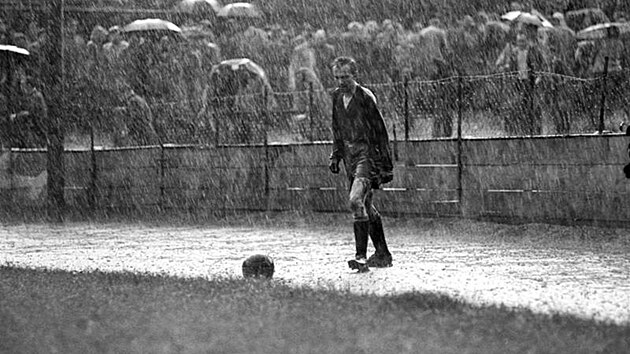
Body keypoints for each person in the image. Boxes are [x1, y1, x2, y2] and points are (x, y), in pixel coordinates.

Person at [328, 56, 394, 272]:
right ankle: (382, 253)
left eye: (345, 77)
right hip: (349, 155)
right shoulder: (337, 97)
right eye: (337, 77)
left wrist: (385, 164)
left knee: (355, 200)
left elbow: (380, 132)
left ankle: (361, 256)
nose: (341, 81)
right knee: (365, 205)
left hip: (367, 154)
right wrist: (336, 154)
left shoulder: (365, 98)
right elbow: (337, 128)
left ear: (354, 75)